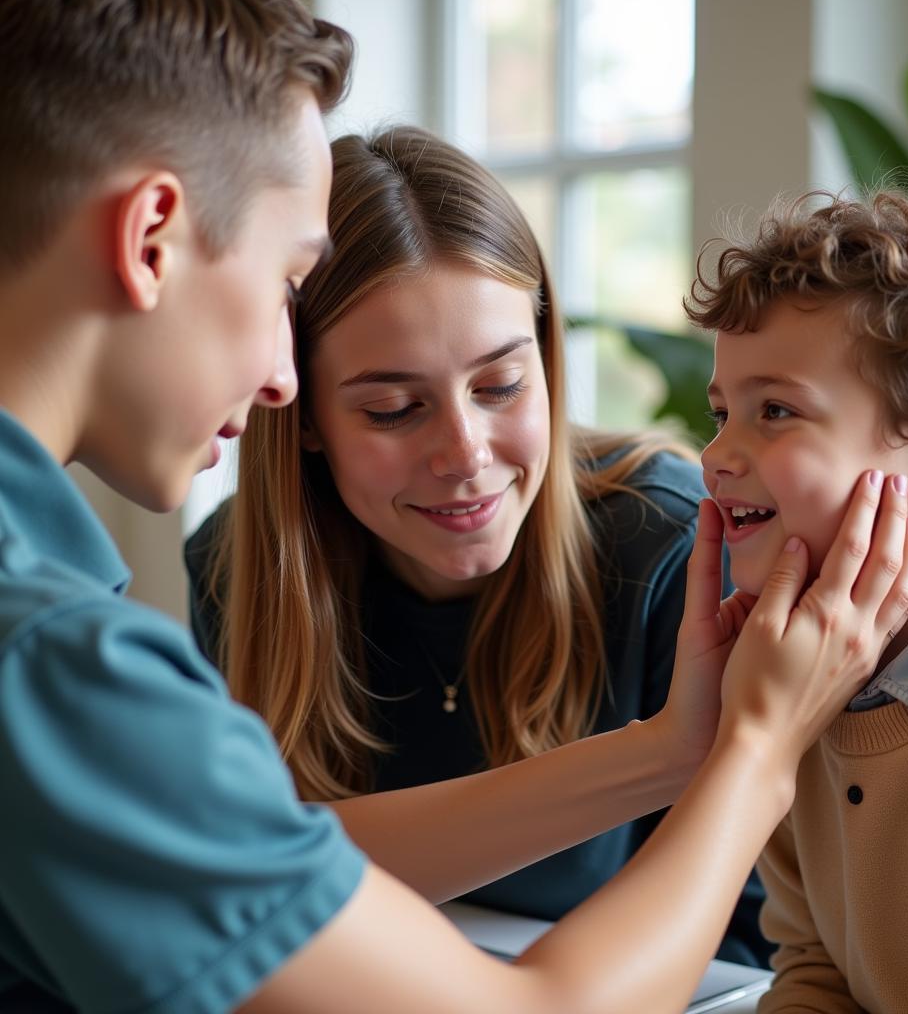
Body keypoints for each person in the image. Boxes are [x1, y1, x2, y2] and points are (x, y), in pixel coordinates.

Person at [0, 0, 908, 1012]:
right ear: (151, 237)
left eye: (498, 382)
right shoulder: (51, 659)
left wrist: (675, 751)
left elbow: (269, 853)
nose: (278, 375)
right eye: (283, 281)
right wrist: (756, 748)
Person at [185, 124, 770, 963]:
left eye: (500, 385)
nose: (465, 455)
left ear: (548, 361)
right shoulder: (236, 571)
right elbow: (239, 885)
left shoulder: (671, 546)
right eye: (393, 408)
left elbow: (753, 940)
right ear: (303, 414)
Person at [686, 187, 908, 1013]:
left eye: (775, 411)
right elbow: (814, 970)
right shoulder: (800, 676)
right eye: (722, 411)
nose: (717, 455)